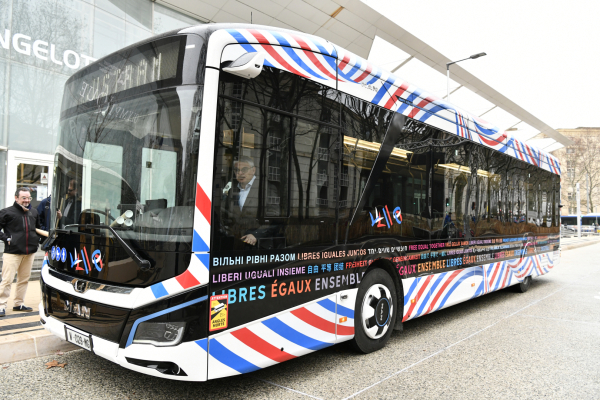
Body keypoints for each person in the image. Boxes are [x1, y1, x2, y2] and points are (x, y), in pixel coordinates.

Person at [0, 188, 42, 317]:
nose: (27, 200)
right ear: (16, 198)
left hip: (30, 252)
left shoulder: (33, 212)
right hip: (12, 252)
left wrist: (38, 240)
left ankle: (18, 304)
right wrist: (6, 239)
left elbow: (38, 229)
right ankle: (1, 305)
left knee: (24, 279)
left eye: (29, 198)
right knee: (7, 280)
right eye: (24, 197)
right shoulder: (6, 212)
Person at [221, 156, 279, 248]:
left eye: (244, 169)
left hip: (259, 246)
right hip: (236, 242)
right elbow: (225, 212)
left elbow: (274, 216)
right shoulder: (232, 189)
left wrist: (256, 235)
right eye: (236, 170)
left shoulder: (267, 188)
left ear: (253, 170)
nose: (240, 173)